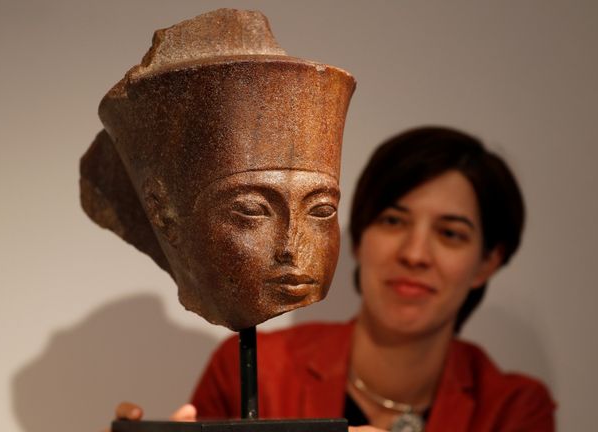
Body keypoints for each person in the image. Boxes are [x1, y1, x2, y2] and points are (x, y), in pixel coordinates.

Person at [115, 126, 556, 431]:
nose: (415, 254)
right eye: (392, 221)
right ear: (361, 238)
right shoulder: (254, 369)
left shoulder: (511, 407)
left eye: (451, 234)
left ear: (487, 262)